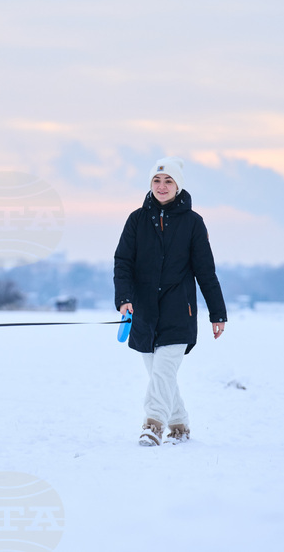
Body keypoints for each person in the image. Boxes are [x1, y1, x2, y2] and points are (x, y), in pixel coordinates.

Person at [114, 156, 228, 446]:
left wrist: (217, 313)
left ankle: (153, 425)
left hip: (179, 311)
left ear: (178, 186)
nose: (161, 186)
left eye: (168, 181)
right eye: (156, 180)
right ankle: (179, 426)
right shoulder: (136, 220)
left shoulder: (193, 223)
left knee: (163, 372)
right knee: (159, 375)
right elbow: (123, 262)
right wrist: (124, 298)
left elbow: (205, 272)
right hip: (144, 313)